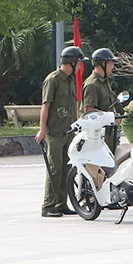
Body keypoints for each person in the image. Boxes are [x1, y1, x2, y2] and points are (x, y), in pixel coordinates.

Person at [37, 46, 83, 217]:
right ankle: (48, 206)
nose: (79, 66)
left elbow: (73, 106)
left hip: (68, 131)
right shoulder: (53, 79)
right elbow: (46, 105)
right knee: (54, 169)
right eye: (78, 62)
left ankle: (61, 203)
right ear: (71, 61)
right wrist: (42, 129)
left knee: (66, 169)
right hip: (55, 132)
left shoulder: (70, 80)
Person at [83, 48, 119, 150]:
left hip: (108, 132)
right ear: (103, 63)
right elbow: (90, 111)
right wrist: (110, 117)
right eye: (111, 63)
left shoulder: (105, 81)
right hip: (97, 135)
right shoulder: (92, 84)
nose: (113, 66)